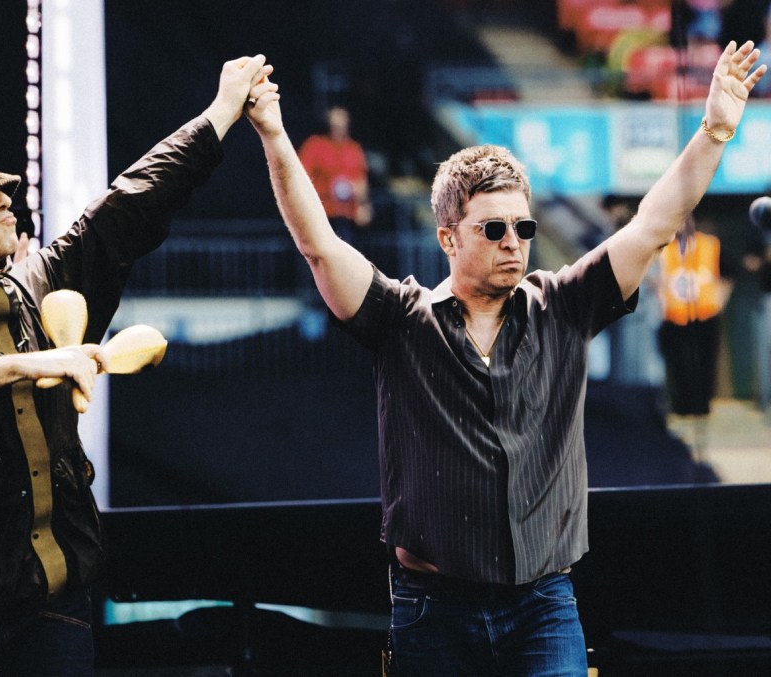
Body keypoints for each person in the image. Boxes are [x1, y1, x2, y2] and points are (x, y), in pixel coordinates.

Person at [243, 41, 764, 675]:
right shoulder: (403, 320)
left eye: (523, 227)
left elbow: (653, 223)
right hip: (432, 609)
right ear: (448, 237)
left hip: (544, 606)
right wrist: (274, 134)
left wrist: (713, 131)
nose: (514, 242)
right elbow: (319, 246)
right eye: (493, 229)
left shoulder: (564, 305)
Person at [0, 55, 272, 677]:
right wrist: (22, 365)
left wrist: (221, 112)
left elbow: (133, 201)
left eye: (2, 192)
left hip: (51, 607)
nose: (5, 202)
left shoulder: (36, 286)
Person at [656, 213, 729, 459]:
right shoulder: (665, 249)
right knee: (679, 364)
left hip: (705, 314)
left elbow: (728, 273)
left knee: (705, 364)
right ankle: (682, 408)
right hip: (675, 317)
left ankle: (702, 407)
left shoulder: (710, 244)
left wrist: (719, 301)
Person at [297, 105, 372, 244]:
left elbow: (361, 181)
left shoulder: (354, 148)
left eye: (343, 123)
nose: (340, 128)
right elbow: (300, 177)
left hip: (347, 217)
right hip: (321, 216)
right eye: (335, 125)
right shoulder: (315, 145)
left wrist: (364, 205)